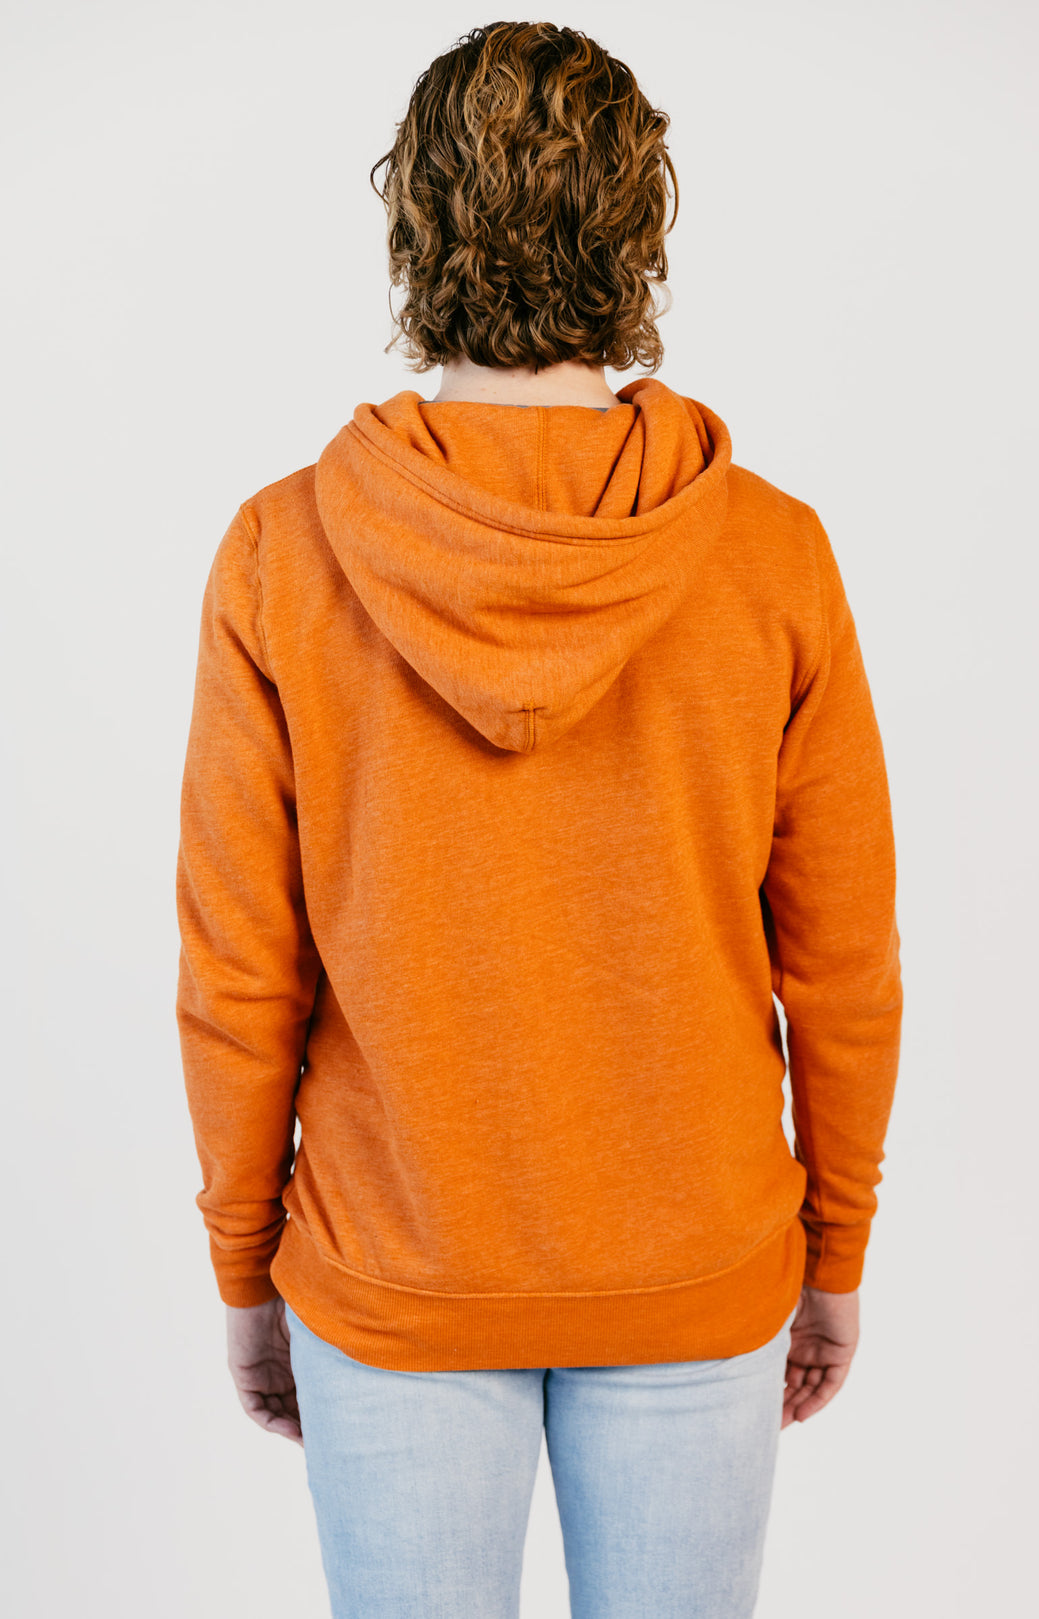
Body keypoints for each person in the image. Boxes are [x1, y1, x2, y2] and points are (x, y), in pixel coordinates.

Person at [175, 20, 903, 1619]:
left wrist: (244, 1270)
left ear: (413, 226)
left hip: (392, 1270)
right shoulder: (770, 555)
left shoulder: (283, 556)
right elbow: (845, 966)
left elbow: (238, 975)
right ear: (638, 233)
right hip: (697, 1257)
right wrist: (836, 1251)